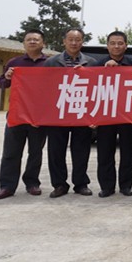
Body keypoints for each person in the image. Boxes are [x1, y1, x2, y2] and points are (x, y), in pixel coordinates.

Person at [45, 27, 97, 198]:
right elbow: (43, 88)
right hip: (58, 113)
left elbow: (97, 90)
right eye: (70, 39)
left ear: (82, 42)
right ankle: (59, 184)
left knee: (81, 150)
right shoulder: (51, 62)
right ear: (64, 41)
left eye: (78, 39)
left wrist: (94, 115)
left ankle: (81, 183)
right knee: (56, 151)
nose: (74, 43)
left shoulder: (91, 63)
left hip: (82, 112)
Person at [0, 29, 48, 200]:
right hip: (16, 115)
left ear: (43, 43)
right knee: (11, 152)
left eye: (36, 39)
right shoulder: (14, 62)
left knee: (35, 152)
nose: (32, 42)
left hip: (38, 116)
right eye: (29, 39)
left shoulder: (50, 63)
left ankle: (32, 183)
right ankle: (7, 186)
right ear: (24, 43)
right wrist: (8, 76)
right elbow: (2, 83)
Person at [94, 31, 132, 198]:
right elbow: (91, 90)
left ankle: (126, 186)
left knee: (127, 152)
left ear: (126, 46)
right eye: (112, 43)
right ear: (107, 46)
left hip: (127, 115)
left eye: (120, 43)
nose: (116, 46)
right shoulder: (97, 65)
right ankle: (107, 186)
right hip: (105, 115)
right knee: (105, 152)